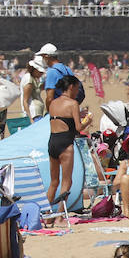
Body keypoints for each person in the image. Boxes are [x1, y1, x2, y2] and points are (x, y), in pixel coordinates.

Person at [46, 74, 84, 207]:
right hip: (65, 144)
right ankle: (60, 216)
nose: (77, 92)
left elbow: (62, 120)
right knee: (67, 181)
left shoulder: (53, 103)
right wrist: (88, 121)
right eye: (77, 89)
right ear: (71, 87)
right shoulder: (73, 103)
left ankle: (46, 215)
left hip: (52, 143)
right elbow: (78, 128)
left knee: (53, 182)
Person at [21, 57, 47, 126]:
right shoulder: (29, 80)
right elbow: (25, 101)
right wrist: (30, 119)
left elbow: (38, 89)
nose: (41, 74)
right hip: (34, 114)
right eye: (40, 72)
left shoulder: (33, 79)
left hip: (37, 113)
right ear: (34, 69)